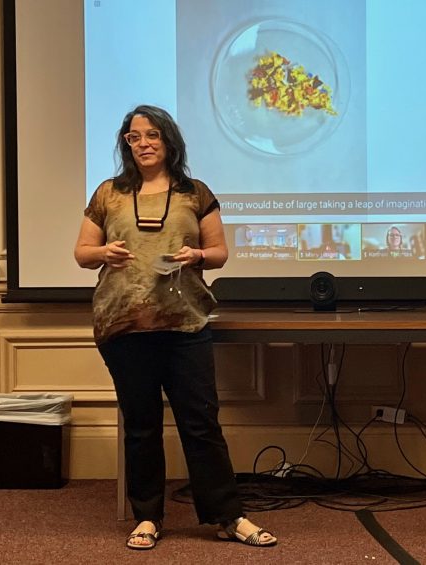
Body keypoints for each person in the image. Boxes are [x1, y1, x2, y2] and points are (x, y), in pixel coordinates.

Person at [74, 105, 277, 550]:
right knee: (142, 424)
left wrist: (197, 257)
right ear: (125, 144)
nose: (143, 143)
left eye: (152, 135)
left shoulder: (194, 193)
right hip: (124, 324)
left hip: (185, 324)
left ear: (168, 141)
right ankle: (147, 517)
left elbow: (220, 252)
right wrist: (104, 252)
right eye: (134, 137)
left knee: (201, 423)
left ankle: (227, 516)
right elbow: (82, 253)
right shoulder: (108, 193)